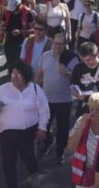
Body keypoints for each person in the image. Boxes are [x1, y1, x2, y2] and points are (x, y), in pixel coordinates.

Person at [0, 60, 49, 188]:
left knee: (28, 158)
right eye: (13, 73)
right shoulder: (3, 89)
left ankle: (33, 173)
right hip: (7, 133)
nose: (14, 76)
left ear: (26, 75)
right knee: (8, 162)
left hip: (28, 132)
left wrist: (42, 128)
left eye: (18, 74)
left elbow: (44, 110)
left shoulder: (35, 89)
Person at [37, 31, 75, 164]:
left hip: (64, 101)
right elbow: (38, 75)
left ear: (65, 45)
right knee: (44, 126)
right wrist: (35, 92)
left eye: (61, 44)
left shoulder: (70, 58)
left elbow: (78, 79)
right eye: (56, 44)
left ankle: (60, 152)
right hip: (47, 100)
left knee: (63, 129)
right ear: (52, 43)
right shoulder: (45, 56)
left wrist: (68, 72)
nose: (58, 47)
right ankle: (48, 140)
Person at [67, 93, 99, 188]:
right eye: (92, 109)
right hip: (86, 174)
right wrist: (82, 126)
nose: (94, 113)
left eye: (98, 109)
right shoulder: (81, 121)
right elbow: (71, 147)